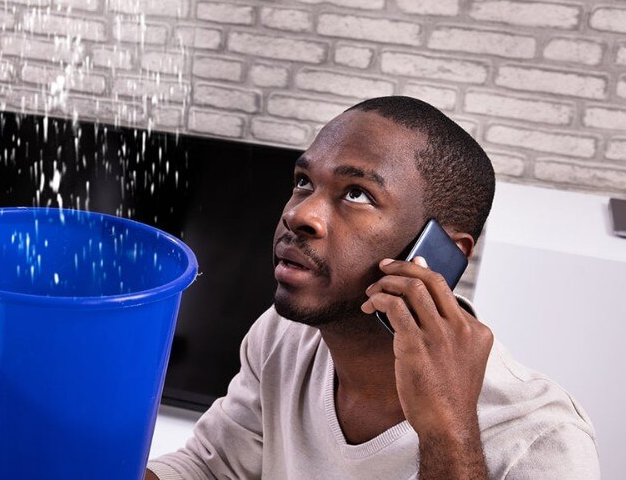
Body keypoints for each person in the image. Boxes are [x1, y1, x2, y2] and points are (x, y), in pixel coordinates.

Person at [146, 96, 599, 479]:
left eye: (356, 193)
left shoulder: (543, 441)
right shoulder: (284, 337)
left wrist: (447, 429)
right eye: (304, 182)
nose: (298, 215)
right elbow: (212, 468)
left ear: (441, 252)